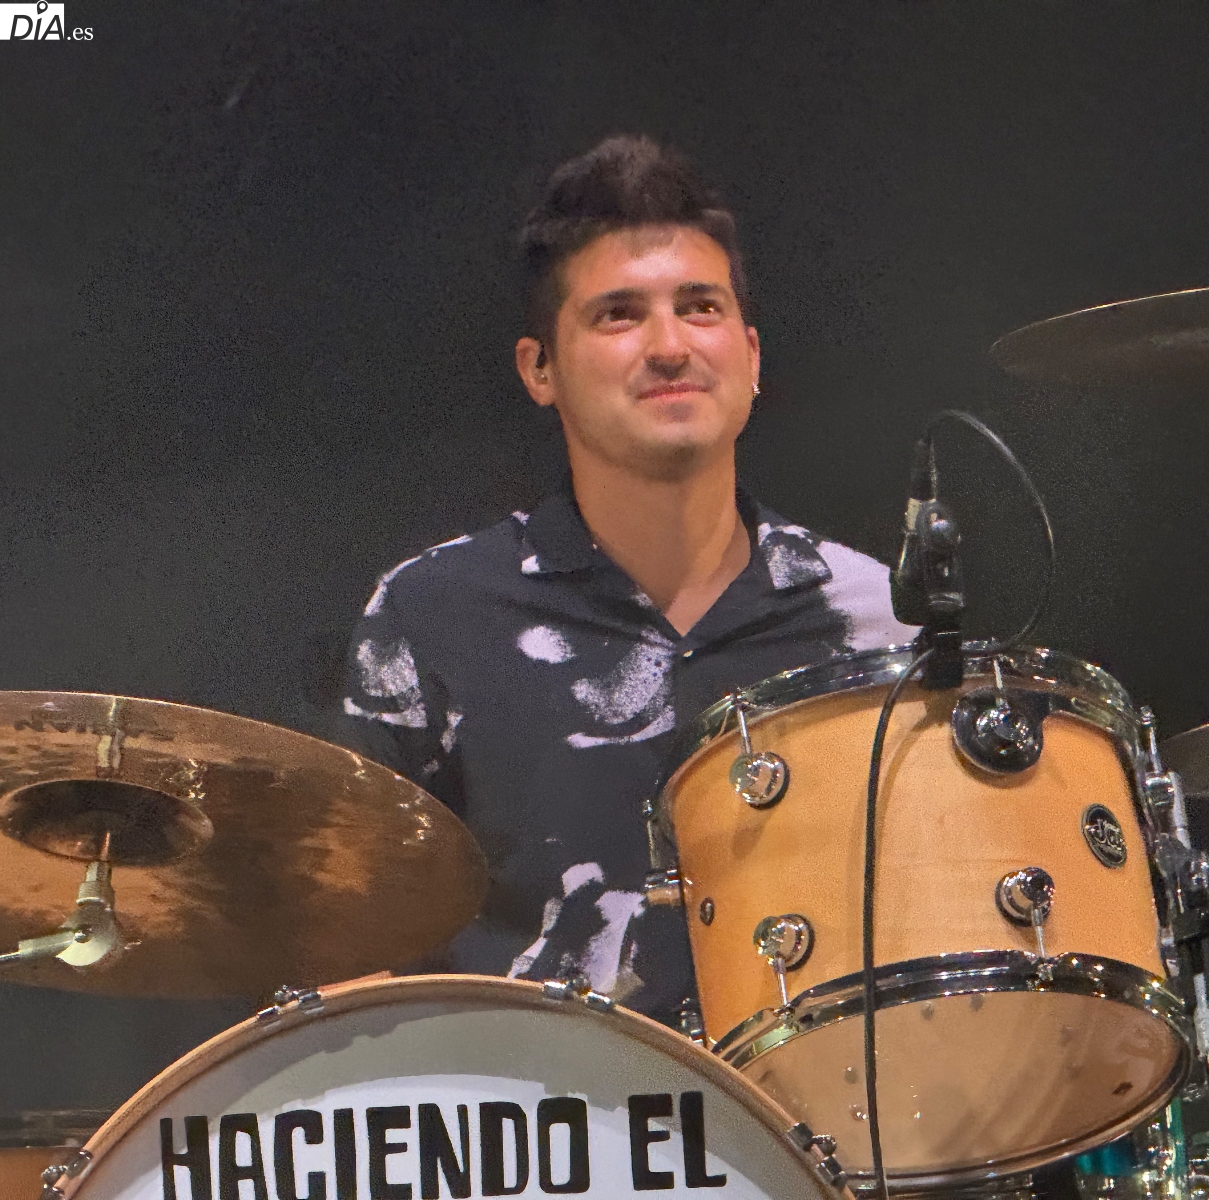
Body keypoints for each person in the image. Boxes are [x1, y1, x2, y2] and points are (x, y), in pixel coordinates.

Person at [340, 134, 919, 1028]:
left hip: (817, 1105)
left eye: (700, 307)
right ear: (539, 369)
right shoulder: (430, 614)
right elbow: (348, 946)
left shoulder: (878, 619)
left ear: (751, 355)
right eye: (619, 315)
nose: (670, 346)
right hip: (532, 1107)